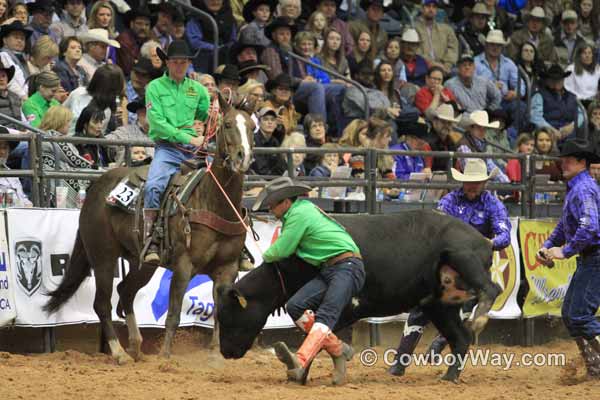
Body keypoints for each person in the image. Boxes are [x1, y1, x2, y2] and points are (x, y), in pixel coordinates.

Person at [389, 158, 511, 377]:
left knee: (462, 313)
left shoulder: (493, 204)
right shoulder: (450, 201)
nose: (472, 186)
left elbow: (504, 235)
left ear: (484, 183)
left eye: (477, 182)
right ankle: (401, 361)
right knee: (420, 309)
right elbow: (436, 227)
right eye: (469, 182)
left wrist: (486, 243)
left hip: (471, 271)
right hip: (443, 268)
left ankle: (440, 346)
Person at [252, 177, 365, 384]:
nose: (269, 208)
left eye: (272, 203)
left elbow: (281, 250)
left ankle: (301, 361)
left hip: (346, 267)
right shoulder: (301, 211)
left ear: (286, 202)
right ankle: (338, 349)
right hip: (335, 268)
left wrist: (266, 255)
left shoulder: (299, 214)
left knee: (325, 315)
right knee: (296, 305)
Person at [536, 138, 600, 378]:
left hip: (594, 257)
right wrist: (548, 246)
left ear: (582, 162)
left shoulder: (582, 189)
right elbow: (565, 226)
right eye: (563, 159)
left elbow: (590, 227)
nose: (563, 163)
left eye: (568, 160)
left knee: (579, 315)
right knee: (572, 314)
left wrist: (563, 251)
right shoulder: (578, 187)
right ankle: (595, 366)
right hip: (590, 257)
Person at [142, 40, 210, 265]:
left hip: (194, 150)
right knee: (154, 185)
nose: (180, 66)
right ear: (167, 63)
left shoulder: (198, 89)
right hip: (168, 148)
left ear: (189, 63)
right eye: (175, 62)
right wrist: (190, 137)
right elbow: (158, 124)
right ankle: (150, 237)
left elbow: (205, 114)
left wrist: (206, 129)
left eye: (184, 62)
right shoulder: (154, 88)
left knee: (221, 181)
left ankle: (235, 240)